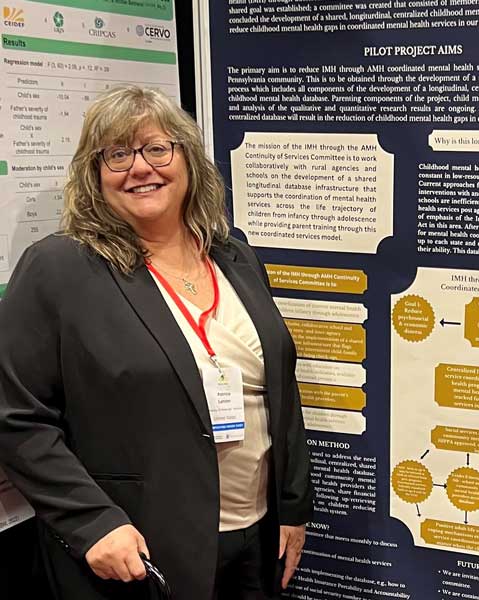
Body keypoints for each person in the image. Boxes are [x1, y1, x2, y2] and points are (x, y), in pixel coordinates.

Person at [0, 85, 313, 599]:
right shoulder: (60, 269)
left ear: (187, 158)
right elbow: (16, 416)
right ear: (94, 175)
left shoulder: (233, 256)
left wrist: (292, 505)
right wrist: (91, 523)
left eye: (156, 148)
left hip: (257, 538)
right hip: (141, 551)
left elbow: (279, 385)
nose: (139, 167)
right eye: (117, 154)